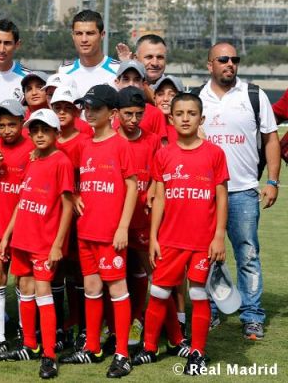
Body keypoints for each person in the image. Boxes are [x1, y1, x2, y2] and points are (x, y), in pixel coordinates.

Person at [132, 93, 229, 375]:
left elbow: (222, 197)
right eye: (180, 114)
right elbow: (159, 199)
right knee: (159, 291)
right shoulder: (164, 155)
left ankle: (197, 352)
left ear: (201, 118)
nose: (186, 119)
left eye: (192, 113)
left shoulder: (215, 153)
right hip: (170, 239)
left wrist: (219, 235)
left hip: (202, 241)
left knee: (197, 293)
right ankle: (150, 347)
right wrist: (154, 237)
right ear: (171, 119)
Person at [198, 42, 281, 340]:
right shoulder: (198, 97)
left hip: (243, 191)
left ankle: (252, 315)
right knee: (206, 257)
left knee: (247, 256)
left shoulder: (254, 95)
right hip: (205, 194)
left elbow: (271, 139)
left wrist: (272, 181)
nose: (230, 63)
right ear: (210, 65)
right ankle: (209, 311)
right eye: (223, 59)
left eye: (234, 59)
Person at [58, 85, 137, 379]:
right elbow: (69, 175)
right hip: (86, 231)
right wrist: (74, 194)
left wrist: (123, 227)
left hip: (111, 233)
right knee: (91, 288)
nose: (89, 112)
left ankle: (123, 353)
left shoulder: (121, 145)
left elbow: (132, 186)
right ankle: (92, 347)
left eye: (96, 108)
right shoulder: (85, 144)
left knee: (117, 289)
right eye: (86, 107)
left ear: (112, 113)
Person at [0, 109, 74, 380]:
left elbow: (68, 207)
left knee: (43, 291)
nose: (39, 135)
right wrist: (7, 235)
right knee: (25, 288)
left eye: (45, 130)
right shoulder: (33, 160)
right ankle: (30, 344)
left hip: (45, 242)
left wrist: (57, 244)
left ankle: (49, 355)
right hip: (23, 238)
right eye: (35, 130)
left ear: (56, 133)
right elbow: (22, 201)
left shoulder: (61, 161)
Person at [0, 99, 34, 359]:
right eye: (1, 125)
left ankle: (25, 332)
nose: (6, 130)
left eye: (11, 124)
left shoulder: (33, 148)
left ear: (22, 122)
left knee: (24, 281)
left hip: (24, 228)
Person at [114, 87, 162, 349]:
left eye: (139, 114)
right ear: (116, 113)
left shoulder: (152, 140)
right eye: (128, 114)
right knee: (115, 273)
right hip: (115, 221)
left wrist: (153, 187)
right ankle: (111, 323)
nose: (134, 120)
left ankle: (141, 320)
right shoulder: (110, 139)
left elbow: (159, 173)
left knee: (150, 270)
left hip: (143, 217)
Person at [51, 85, 90, 350]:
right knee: (57, 268)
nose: (63, 112)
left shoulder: (84, 140)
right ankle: (58, 324)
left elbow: (90, 175)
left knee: (77, 269)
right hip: (52, 212)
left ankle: (82, 324)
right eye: (58, 107)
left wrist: (76, 195)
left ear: (77, 111)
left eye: (68, 107)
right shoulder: (47, 138)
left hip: (78, 213)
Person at [58, 10, 119, 96]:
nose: (84, 39)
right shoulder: (64, 72)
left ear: (102, 35)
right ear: (73, 36)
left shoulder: (118, 70)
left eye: (90, 33)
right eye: (79, 33)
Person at [112, 60, 168, 142]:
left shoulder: (155, 113)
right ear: (117, 82)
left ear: (143, 84)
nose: (131, 84)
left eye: (136, 80)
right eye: (126, 79)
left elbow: (161, 146)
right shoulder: (107, 110)